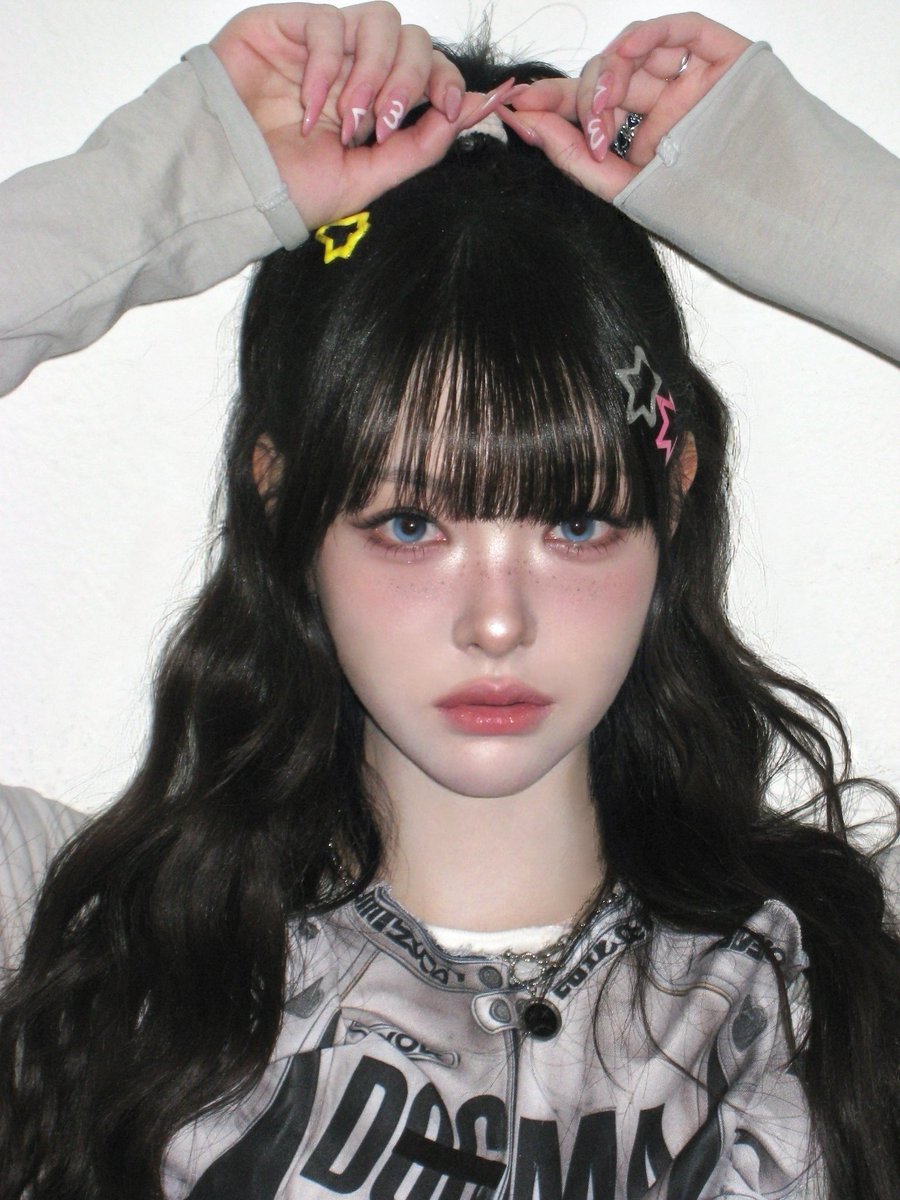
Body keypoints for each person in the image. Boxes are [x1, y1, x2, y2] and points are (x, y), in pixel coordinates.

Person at [0, 5, 898, 1199]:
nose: (497, 623)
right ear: (282, 498)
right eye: (412, 527)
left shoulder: (829, 986)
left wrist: (812, 206)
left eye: (574, 523)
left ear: (672, 495)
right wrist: (168, 186)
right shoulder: (81, 943)